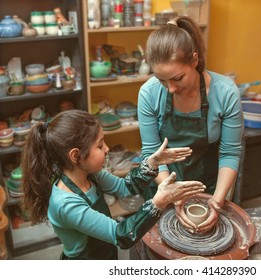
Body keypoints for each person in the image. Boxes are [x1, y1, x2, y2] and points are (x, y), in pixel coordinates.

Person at [21, 109, 206, 260]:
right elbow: (121, 235)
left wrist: (152, 163)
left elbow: (126, 187)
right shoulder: (65, 203)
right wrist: (158, 202)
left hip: (106, 252)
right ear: (76, 156)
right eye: (100, 146)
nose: (108, 149)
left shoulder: (91, 174)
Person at [137, 16, 243, 234]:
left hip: (211, 184)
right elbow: (151, 151)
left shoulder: (225, 92)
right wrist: (172, 194)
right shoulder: (149, 93)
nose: (171, 88)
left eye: (178, 78)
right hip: (164, 181)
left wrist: (217, 201)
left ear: (194, 60)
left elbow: (230, 152)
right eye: (162, 80)